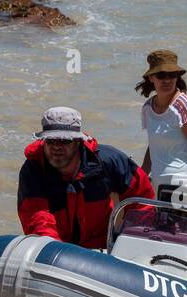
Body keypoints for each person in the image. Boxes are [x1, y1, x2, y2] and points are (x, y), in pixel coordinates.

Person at [17, 106, 154, 249]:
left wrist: (132, 240)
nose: (56, 147)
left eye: (64, 140)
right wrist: (55, 251)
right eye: (51, 140)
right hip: (56, 250)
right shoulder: (33, 170)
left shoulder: (109, 161)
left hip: (102, 248)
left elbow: (143, 199)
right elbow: (37, 218)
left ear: (78, 142)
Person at [137, 49, 187, 208]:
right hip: (158, 188)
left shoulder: (184, 105)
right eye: (161, 75)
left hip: (185, 188)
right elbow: (153, 145)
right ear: (151, 77)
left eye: (172, 75)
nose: (167, 80)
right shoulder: (148, 108)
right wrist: (141, 177)